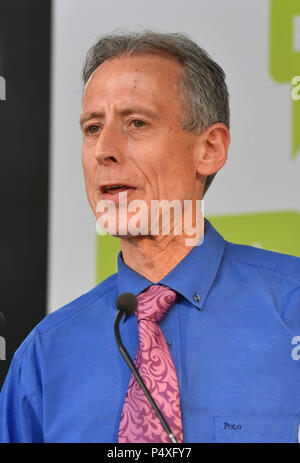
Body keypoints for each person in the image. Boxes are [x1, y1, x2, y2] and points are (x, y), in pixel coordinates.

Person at [1, 30, 300, 444]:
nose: (104, 149)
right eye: (92, 128)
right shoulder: (43, 358)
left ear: (210, 148)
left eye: (136, 123)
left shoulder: (293, 308)